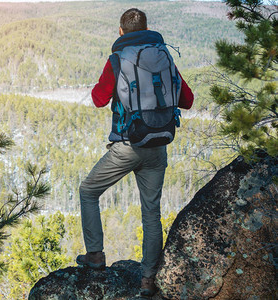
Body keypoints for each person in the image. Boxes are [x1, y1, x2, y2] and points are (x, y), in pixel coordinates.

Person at [75, 8, 194, 297]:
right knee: (151, 213)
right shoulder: (163, 56)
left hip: (128, 146)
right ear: (145, 28)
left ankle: (95, 257)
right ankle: (148, 280)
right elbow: (187, 100)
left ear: (121, 32)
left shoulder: (117, 60)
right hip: (159, 146)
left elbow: (98, 99)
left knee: (88, 192)